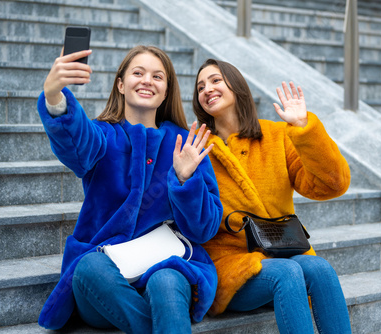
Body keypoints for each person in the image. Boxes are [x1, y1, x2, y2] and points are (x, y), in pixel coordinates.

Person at [36, 45, 223, 334]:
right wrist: (54, 96)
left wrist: (186, 180)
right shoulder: (101, 135)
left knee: (168, 280)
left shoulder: (186, 143)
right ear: (121, 84)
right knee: (88, 267)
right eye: (138, 73)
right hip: (106, 282)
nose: (147, 80)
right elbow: (77, 142)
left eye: (157, 77)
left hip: (164, 267)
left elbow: (204, 229)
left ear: (165, 91)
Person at [192, 58, 352, 334]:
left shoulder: (275, 136)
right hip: (229, 266)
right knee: (287, 273)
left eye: (216, 80)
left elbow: (331, 185)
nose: (207, 89)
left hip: (281, 249)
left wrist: (304, 129)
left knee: (320, 268)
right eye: (200, 86)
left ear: (236, 86)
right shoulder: (197, 147)